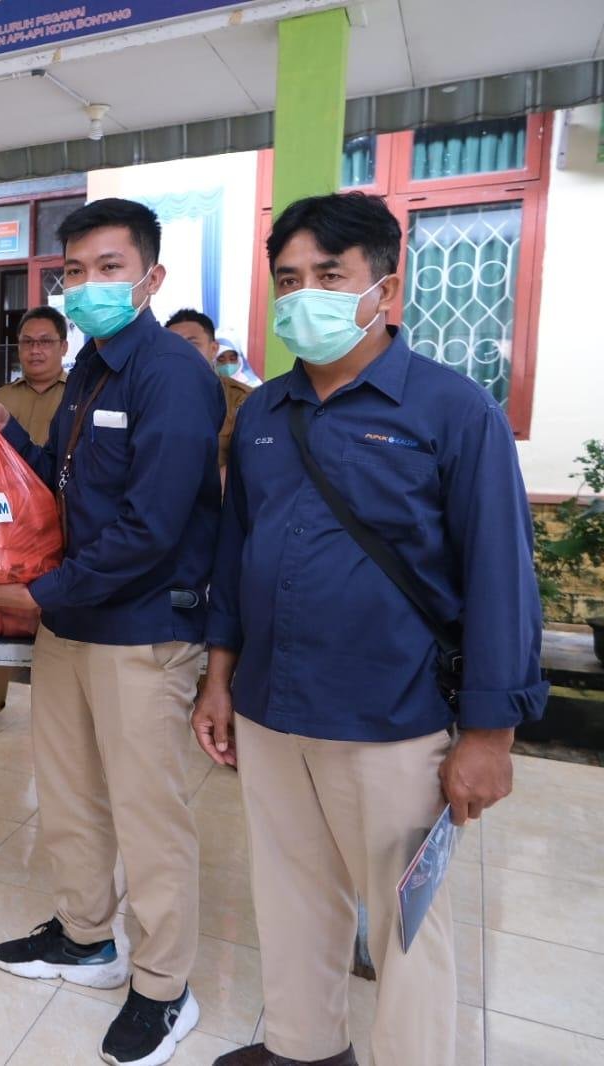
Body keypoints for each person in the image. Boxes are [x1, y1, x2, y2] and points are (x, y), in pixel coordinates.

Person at [195, 192, 546, 1066]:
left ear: (383, 288)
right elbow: (238, 558)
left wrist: (491, 735)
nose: (302, 295)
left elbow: (501, 579)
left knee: (404, 927)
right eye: (288, 279)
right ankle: (304, 1047)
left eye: (327, 276)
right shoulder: (267, 414)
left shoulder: (451, 411)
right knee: (290, 894)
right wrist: (218, 679)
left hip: (394, 718)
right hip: (273, 710)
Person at [0, 198, 223, 1066]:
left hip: (141, 631)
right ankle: (85, 937)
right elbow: (69, 485)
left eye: (109, 268)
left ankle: (163, 987)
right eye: (73, 271)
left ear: (150, 277)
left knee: (149, 817)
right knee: (68, 792)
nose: (88, 285)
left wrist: (42, 595)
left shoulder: (173, 376)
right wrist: (11, 439)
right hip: (73, 621)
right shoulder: (90, 369)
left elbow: (152, 525)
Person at [0, 307, 69, 733]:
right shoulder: (2, 399)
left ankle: (58, 709)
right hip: (8, 525)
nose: (36, 350)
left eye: (46, 341)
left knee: (55, 611)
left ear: (63, 347)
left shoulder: (78, 394)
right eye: (28, 342)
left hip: (64, 521)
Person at [166, 308, 254, 473]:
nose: (182, 351)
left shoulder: (242, 399)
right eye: (173, 344)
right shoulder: (151, 394)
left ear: (213, 349)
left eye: (192, 344)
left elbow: (252, 460)